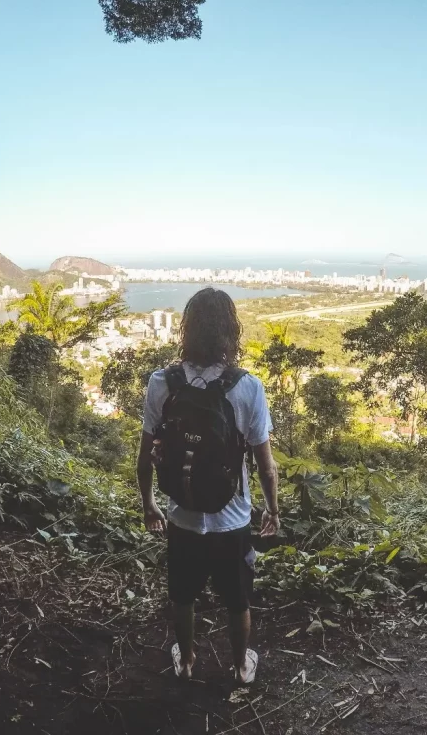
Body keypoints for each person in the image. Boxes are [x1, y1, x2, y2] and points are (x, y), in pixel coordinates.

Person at [136, 287, 280, 686]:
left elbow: (145, 455)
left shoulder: (161, 382)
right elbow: (266, 466)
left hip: (182, 514)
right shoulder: (246, 387)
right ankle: (240, 666)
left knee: (182, 595)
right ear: (229, 333)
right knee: (238, 599)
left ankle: (186, 662)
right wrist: (272, 509)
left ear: (187, 328)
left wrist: (149, 505)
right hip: (231, 519)